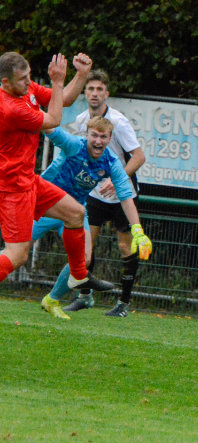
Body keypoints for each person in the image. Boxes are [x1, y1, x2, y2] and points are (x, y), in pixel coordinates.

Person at [0, 51, 113, 294]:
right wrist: (58, 80)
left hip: (29, 181)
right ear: (6, 82)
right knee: (17, 255)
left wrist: (81, 75)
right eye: (22, 79)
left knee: (75, 213)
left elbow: (63, 100)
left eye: (29, 76)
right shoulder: (9, 108)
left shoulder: (26, 89)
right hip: (13, 189)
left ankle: (78, 276)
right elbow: (53, 119)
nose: (29, 82)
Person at [36, 117, 152, 319]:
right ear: (86, 135)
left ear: (109, 138)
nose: (98, 141)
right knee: (18, 252)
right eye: (94, 135)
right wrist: (26, 109)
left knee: (84, 258)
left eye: (103, 137)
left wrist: (138, 232)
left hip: (75, 213)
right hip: (45, 204)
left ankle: (52, 300)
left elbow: (126, 198)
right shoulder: (74, 145)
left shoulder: (111, 162)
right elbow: (49, 128)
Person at [62, 69, 147, 317]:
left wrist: (116, 177)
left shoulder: (118, 122)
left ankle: (123, 304)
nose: (95, 93)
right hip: (94, 192)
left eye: (99, 89)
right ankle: (84, 296)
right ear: (84, 93)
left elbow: (139, 156)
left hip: (122, 194)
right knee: (85, 244)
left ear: (106, 94)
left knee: (125, 246)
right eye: (90, 89)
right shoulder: (81, 121)